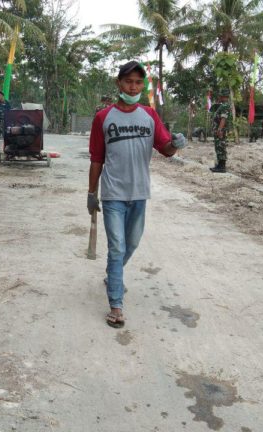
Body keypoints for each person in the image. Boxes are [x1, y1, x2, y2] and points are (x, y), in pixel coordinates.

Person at [86, 61, 186, 328]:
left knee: (131, 244)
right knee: (117, 247)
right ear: (119, 83)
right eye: (129, 81)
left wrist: (175, 144)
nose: (134, 87)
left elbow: (165, 149)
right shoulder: (103, 118)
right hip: (113, 194)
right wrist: (91, 193)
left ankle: (113, 273)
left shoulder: (149, 116)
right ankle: (116, 304)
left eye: (139, 83)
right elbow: (96, 158)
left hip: (140, 193)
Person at [210, 89, 231, 173]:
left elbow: (223, 118)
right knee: (219, 147)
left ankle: (222, 167)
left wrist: (219, 129)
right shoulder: (223, 105)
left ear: (223, 96)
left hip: (221, 131)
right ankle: (219, 165)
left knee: (221, 147)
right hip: (219, 130)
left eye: (220, 95)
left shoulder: (225, 105)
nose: (219, 97)